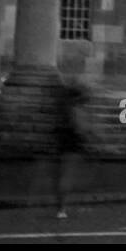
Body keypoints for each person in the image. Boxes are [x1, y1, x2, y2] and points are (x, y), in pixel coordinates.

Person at [55, 81, 90, 219]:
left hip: (67, 142)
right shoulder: (75, 109)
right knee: (67, 175)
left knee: (66, 175)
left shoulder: (67, 108)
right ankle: (62, 208)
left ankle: (63, 207)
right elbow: (80, 127)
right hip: (73, 143)